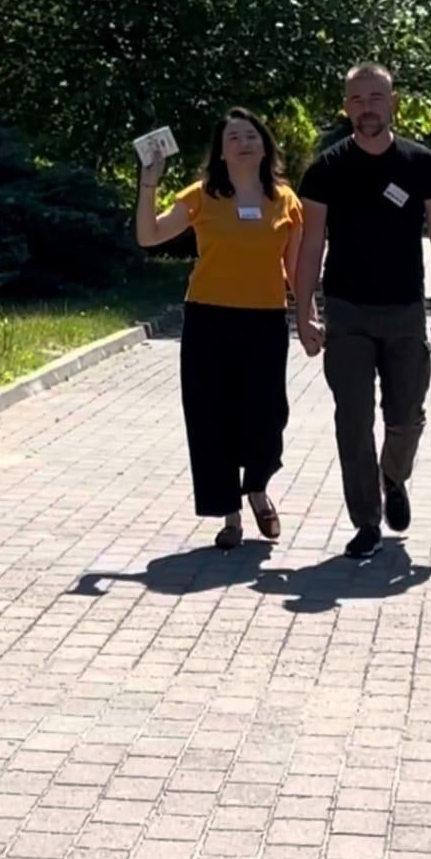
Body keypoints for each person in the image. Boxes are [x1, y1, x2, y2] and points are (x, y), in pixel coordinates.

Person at [294, 63, 431, 560]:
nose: (367, 107)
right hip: (347, 311)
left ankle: (394, 476)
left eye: (376, 97)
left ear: (393, 103)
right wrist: (303, 310)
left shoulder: (420, 162)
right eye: (357, 99)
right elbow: (311, 243)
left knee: (406, 414)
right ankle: (366, 521)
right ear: (346, 107)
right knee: (353, 419)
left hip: (405, 308)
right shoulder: (326, 170)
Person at [136, 108, 303, 549]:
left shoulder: (286, 201)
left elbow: (296, 270)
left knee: (268, 415)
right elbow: (149, 236)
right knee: (212, 416)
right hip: (208, 319)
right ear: (221, 153)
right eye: (233, 138)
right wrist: (149, 183)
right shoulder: (201, 196)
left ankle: (258, 488)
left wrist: (308, 316)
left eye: (251, 136)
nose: (243, 143)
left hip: (265, 320)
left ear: (265, 146)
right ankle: (230, 515)